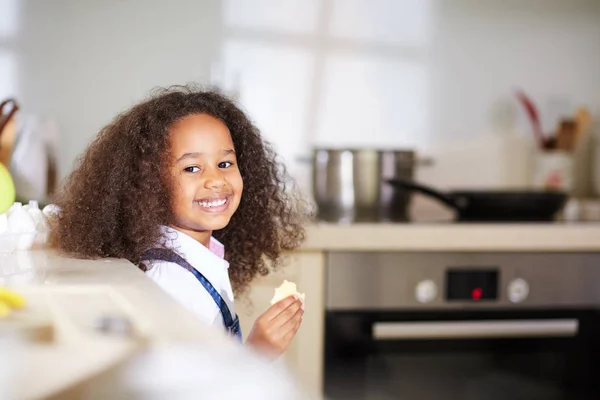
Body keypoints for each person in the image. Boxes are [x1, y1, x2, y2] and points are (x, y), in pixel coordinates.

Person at [52, 84, 308, 359]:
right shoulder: (176, 283)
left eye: (225, 164)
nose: (216, 180)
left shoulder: (193, 258)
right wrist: (259, 352)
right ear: (149, 183)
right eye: (192, 168)